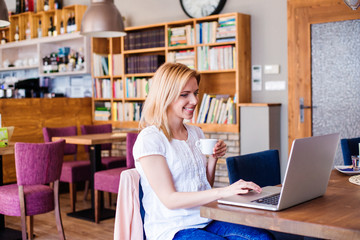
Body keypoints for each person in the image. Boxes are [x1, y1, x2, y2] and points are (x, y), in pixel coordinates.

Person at [133, 63, 274, 240]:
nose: (194, 101)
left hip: (205, 218)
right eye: (185, 95)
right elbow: (170, 199)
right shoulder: (151, 139)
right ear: (165, 96)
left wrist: (212, 159)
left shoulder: (195, 133)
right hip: (173, 228)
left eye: (195, 93)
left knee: (262, 238)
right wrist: (225, 191)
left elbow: (203, 184)